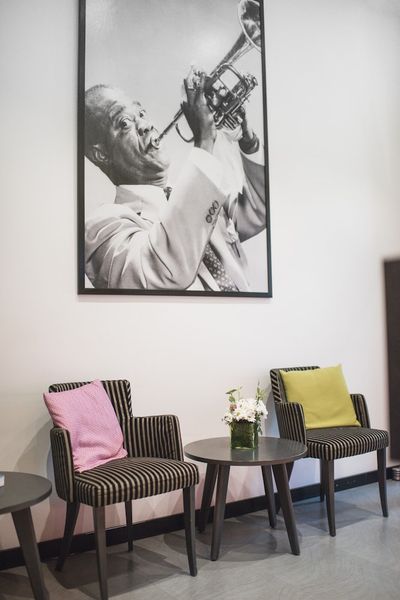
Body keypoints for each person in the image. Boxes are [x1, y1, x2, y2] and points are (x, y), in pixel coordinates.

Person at [84, 69, 267, 291]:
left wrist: (248, 140)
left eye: (141, 113)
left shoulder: (198, 195)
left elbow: (259, 211)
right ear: (101, 154)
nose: (146, 125)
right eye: (124, 123)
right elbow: (165, 270)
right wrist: (204, 140)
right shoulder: (102, 229)